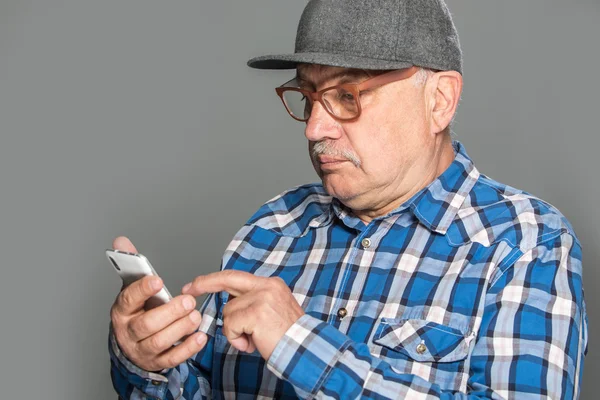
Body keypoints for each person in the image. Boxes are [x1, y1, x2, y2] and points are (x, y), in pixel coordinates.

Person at [108, 0, 588, 398]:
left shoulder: (526, 242)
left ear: (439, 100)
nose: (315, 128)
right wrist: (149, 363)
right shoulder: (270, 230)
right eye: (309, 96)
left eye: (347, 96)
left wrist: (302, 345)